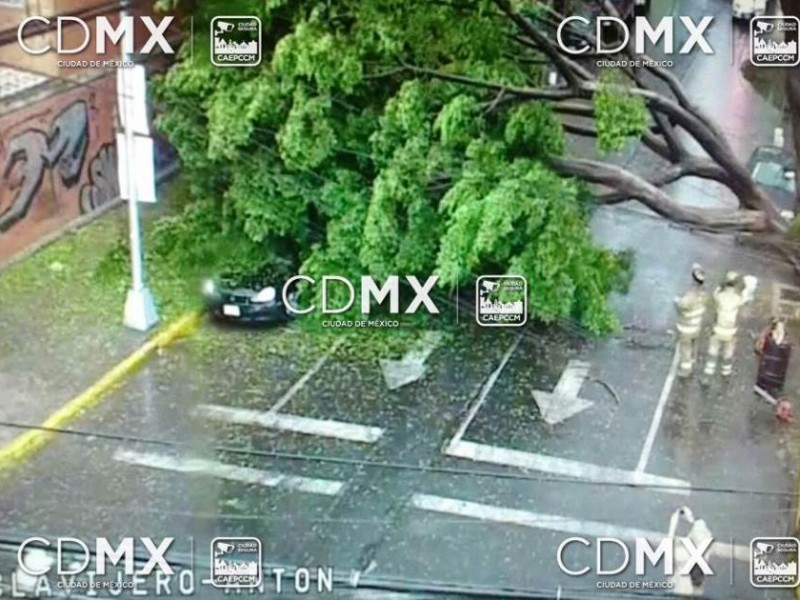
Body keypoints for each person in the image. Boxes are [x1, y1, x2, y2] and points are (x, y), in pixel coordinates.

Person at [704, 271, 755, 377]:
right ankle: (726, 372)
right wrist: (746, 286)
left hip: (718, 329)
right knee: (728, 353)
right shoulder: (738, 299)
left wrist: (719, 286)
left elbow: (715, 293)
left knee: (713, 351)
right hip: (731, 332)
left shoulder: (719, 296)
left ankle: (708, 374)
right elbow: (746, 297)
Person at [674, 264, 707, 377]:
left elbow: (682, 306)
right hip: (696, 327)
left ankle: (685, 369)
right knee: (693, 346)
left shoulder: (690, 297)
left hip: (686, 328)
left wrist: (676, 301)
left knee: (685, 348)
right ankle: (692, 362)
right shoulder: (703, 294)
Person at [755, 317, 792, 397]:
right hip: (770, 379)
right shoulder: (782, 343)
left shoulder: (770, 339)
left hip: (767, 378)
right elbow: (758, 349)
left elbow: (758, 349)